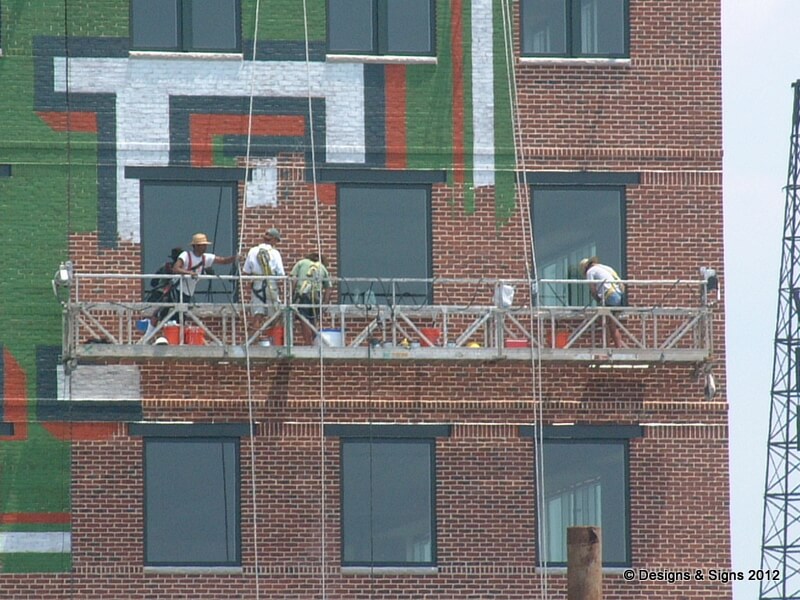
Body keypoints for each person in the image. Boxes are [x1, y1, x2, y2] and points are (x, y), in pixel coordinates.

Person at [171, 233, 238, 303]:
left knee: (182, 312)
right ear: (196, 246)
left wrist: (236, 258)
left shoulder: (205, 258)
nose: (205, 247)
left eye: (205, 245)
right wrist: (189, 273)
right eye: (203, 245)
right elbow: (176, 269)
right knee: (178, 312)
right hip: (177, 290)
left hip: (189, 292)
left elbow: (223, 261)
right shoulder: (185, 255)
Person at [579, 256, 625, 348]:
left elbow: (592, 289)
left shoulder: (590, 271)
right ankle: (618, 347)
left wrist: (597, 299)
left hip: (610, 296)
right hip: (620, 296)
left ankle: (606, 347)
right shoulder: (605, 267)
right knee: (611, 324)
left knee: (603, 322)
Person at [242, 228, 285, 324]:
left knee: (258, 315)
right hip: (271, 285)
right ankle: (274, 338)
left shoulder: (253, 251)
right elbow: (281, 274)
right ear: (273, 239)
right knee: (275, 315)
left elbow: (246, 271)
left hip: (257, 285)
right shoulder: (275, 253)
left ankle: (253, 338)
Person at [291, 252, 332, 345]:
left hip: (302, 294)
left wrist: (291, 296)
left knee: (303, 319)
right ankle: (314, 342)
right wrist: (324, 303)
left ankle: (309, 343)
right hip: (316, 296)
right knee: (313, 319)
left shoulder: (301, 263)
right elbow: (328, 288)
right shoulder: (322, 268)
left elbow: (293, 280)